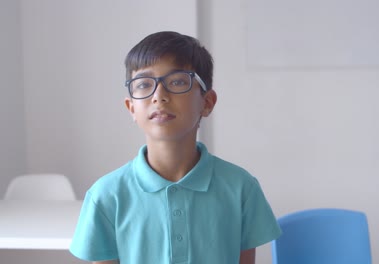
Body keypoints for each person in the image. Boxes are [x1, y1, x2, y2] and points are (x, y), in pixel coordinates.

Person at [69, 31, 282, 264]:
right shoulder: (106, 196)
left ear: (207, 102)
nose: (159, 96)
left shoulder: (241, 188)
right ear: (131, 107)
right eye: (143, 84)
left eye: (178, 81)